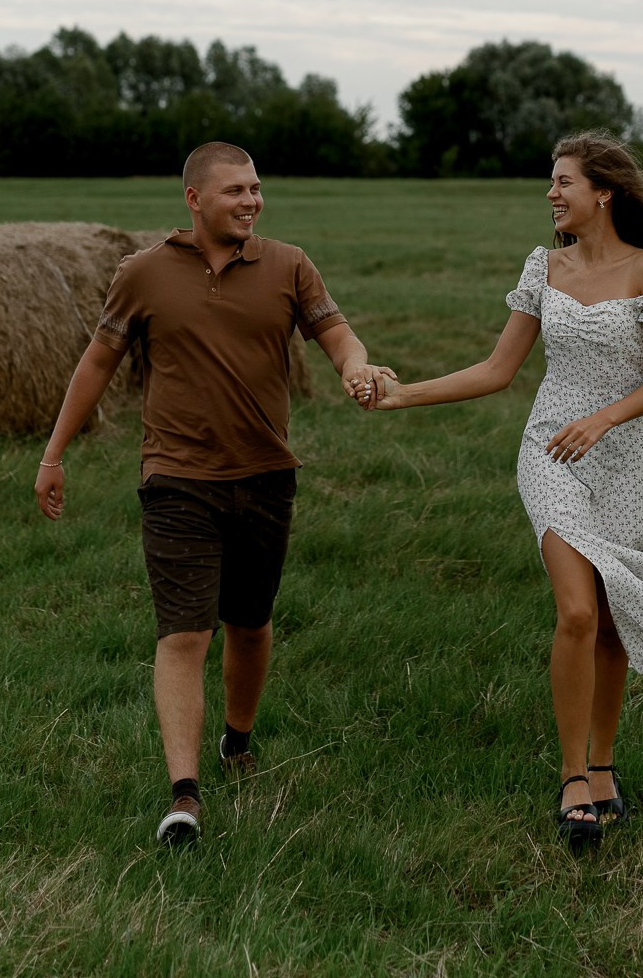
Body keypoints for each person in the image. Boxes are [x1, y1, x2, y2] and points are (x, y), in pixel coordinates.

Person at [369, 132, 643, 850]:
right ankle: (572, 777)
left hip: (624, 461)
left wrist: (606, 418)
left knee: (614, 616)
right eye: (551, 184)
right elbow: (497, 370)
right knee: (578, 612)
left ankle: (607, 765)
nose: (551, 194)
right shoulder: (542, 267)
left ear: (602, 192)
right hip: (550, 451)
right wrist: (403, 397)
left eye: (563, 183)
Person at [34, 141, 393, 847]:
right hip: (176, 479)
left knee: (251, 625)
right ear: (195, 199)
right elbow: (97, 362)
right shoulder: (142, 274)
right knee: (186, 633)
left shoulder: (289, 264)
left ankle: (238, 736)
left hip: (265, 475)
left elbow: (337, 333)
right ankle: (184, 795)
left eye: (256, 189)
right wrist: (54, 452)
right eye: (236, 191)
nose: (252, 201)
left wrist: (357, 367)